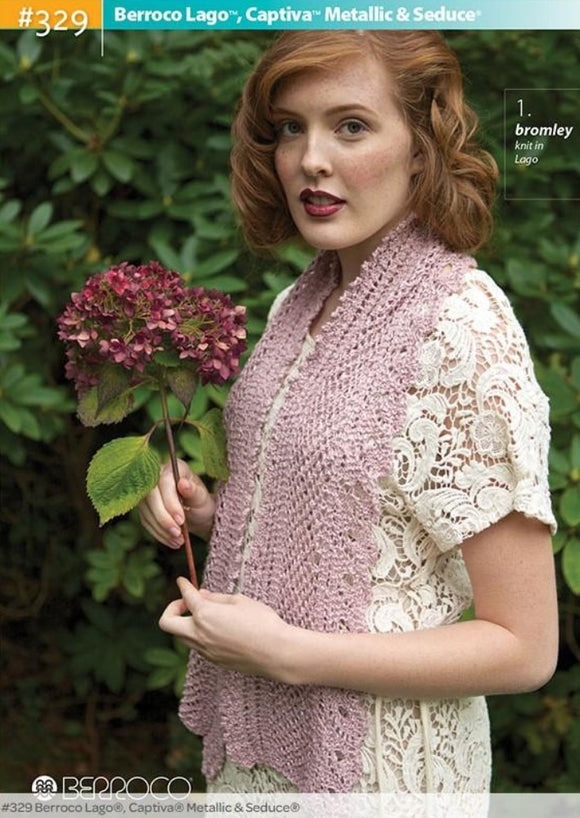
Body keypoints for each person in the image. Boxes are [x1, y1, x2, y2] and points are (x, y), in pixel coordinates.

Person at [138, 30, 558, 796]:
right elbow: (362, 523)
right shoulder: (301, 303)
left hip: (380, 773)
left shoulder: (460, 327)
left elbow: (524, 647)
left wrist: (290, 651)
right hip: (259, 758)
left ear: (423, 147)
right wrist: (214, 513)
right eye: (291, 128)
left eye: (351, 125)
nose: (310, 159)